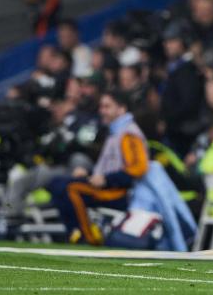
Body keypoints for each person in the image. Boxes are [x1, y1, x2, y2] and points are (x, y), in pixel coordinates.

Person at [48, 89, 149, 245]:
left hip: (119, 191)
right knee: (57, 183)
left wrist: (106, 180)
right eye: (101, 107)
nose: (102, 111)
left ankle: (86, 238)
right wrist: (89, 173)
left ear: (122, 109)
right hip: (108, 185)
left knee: (71, 189)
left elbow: (139, 168)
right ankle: (74, 233)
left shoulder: (129, 133)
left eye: (107, 107)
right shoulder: (115, 132)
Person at [161, 20, 207, 156]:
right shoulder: (177, 68)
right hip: (181, 132)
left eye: (171, 41)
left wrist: (168, 119)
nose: (166, 45)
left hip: (187, 135)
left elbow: (189, 103)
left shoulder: (186, 70)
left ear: (182, 42)